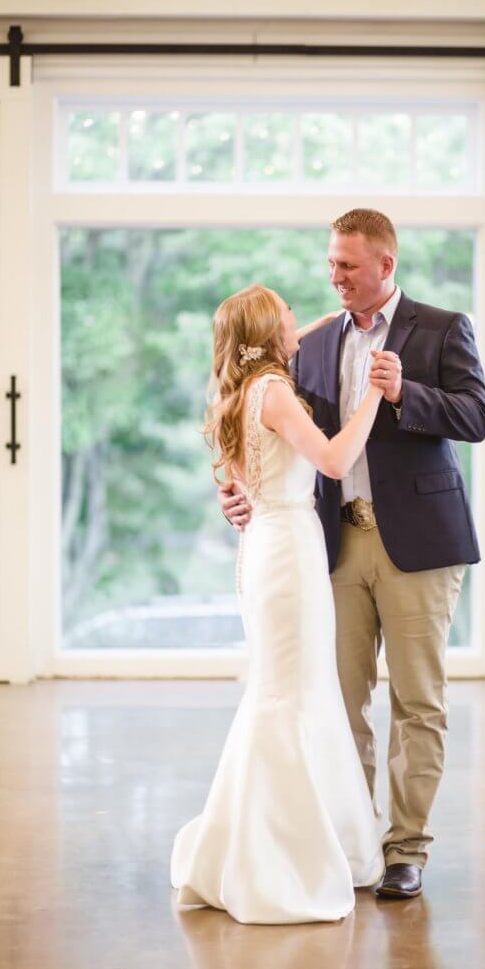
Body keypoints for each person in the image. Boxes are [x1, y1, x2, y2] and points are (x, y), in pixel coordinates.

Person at [220, 209, 485, 900]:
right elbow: (260, 422)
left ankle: (406, 850)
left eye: (346, 265)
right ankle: (349, 842)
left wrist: (405, 391)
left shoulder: (440, 327)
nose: (333, 276)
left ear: (384, 265)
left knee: (417, 701)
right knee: (339, 699)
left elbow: (477, 417)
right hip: (329, 545)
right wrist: (235, 490)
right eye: (330, 262)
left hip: (418, 545)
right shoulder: (311, 343)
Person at [170, 283, 389, 924]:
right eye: (289, 318)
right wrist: (374, 391)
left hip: (264, 547)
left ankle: (273, 836)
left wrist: (338, 317)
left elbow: (304, 330)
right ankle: (280, 853)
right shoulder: (275, 393)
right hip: (290, 551)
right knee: (293, 694)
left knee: (285, 689)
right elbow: (333, 457)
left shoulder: (237, 394)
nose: (302, 324)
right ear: (271, 334)